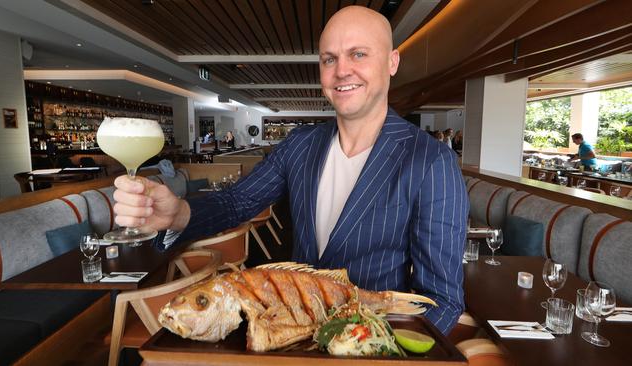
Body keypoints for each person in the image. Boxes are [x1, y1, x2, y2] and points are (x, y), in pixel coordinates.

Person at [112, 6, 467, 335]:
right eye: (330, 58)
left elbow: (442, 301)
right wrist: (178, 214)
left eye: (358, 54)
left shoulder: (430, 160)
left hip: (371, 345)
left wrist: (384, 351)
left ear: (392, 62)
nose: (342, 70)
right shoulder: (301, 144)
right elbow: (237, 203)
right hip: (295, 339)